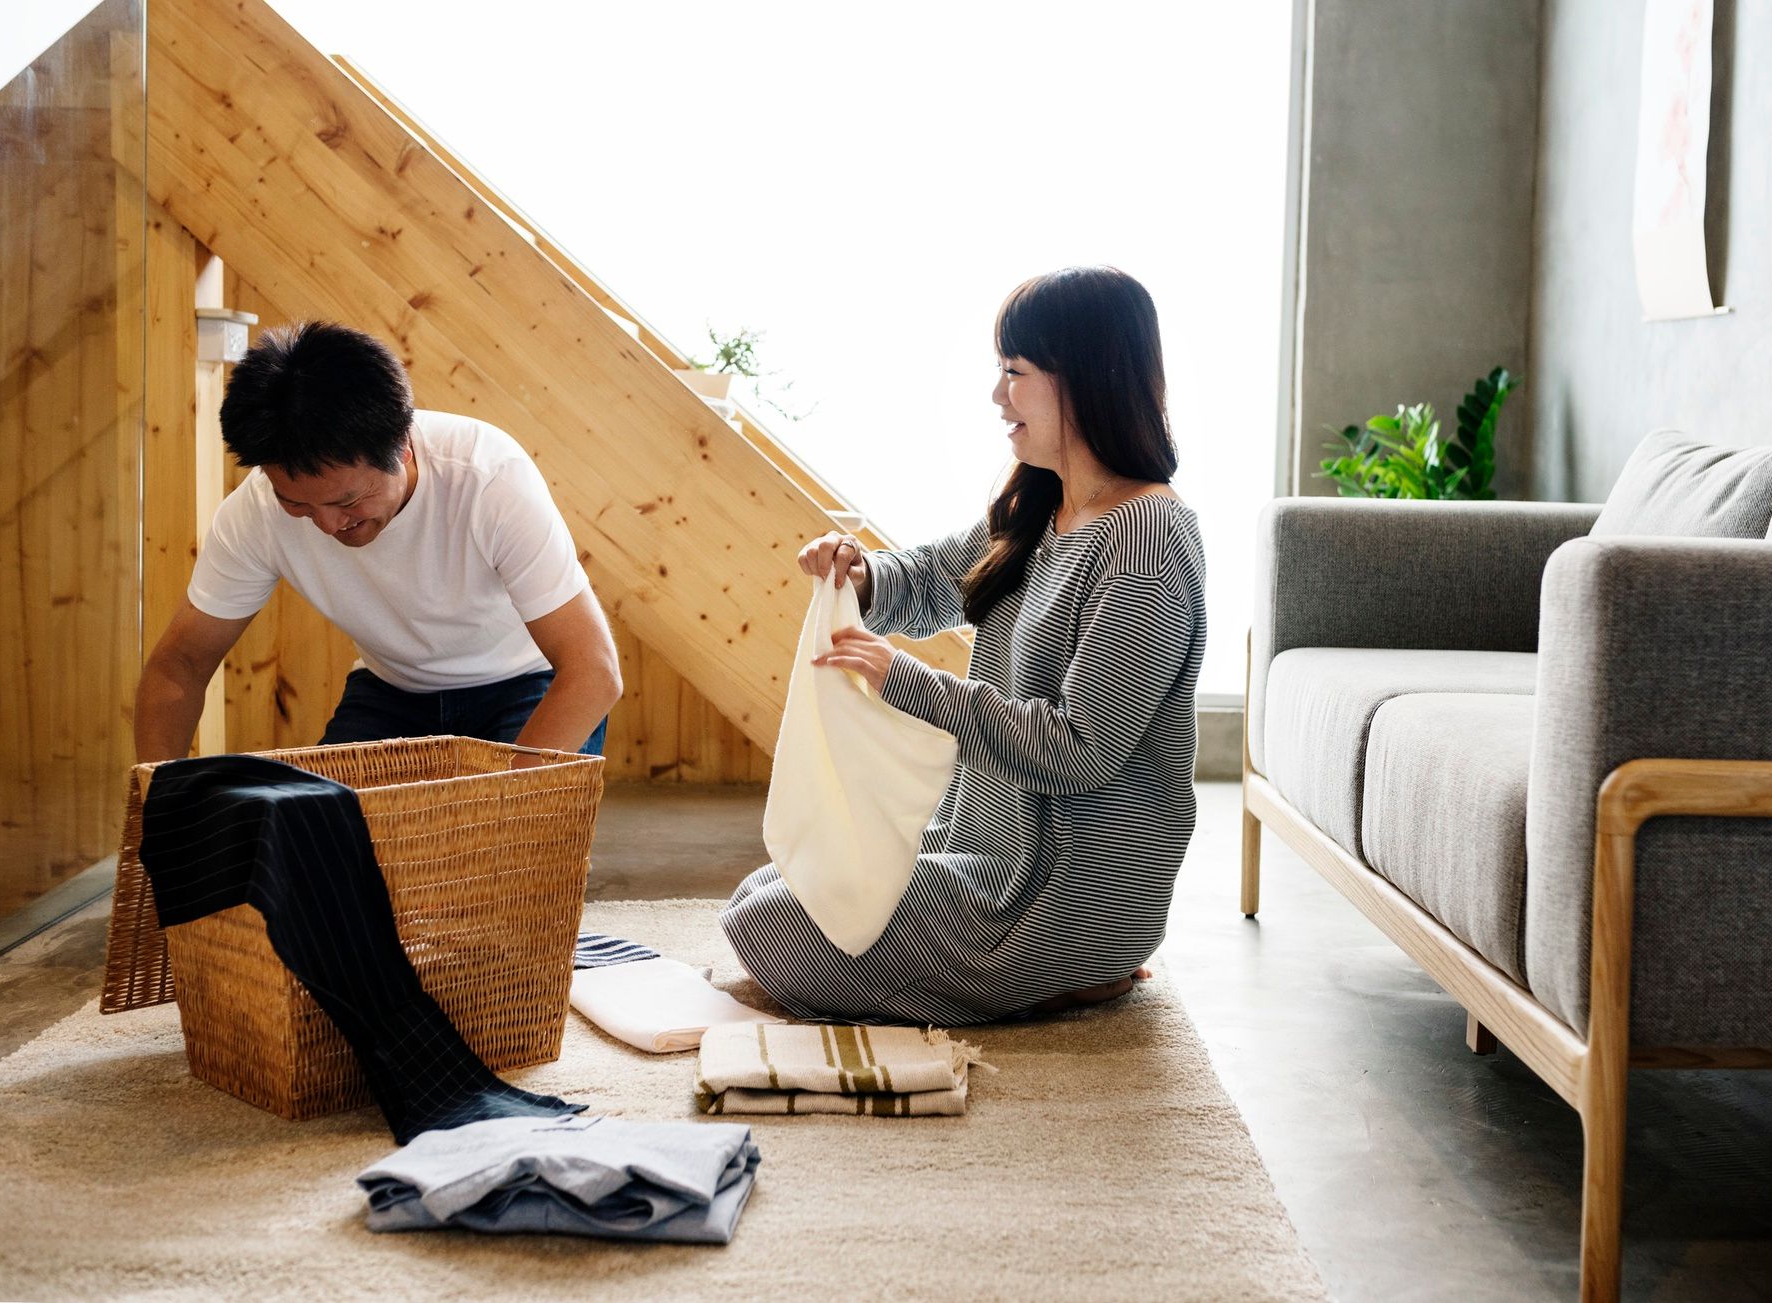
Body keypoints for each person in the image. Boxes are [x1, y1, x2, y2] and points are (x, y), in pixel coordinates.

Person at [721, 266, 1206, 1024]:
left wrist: (903, 681)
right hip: (989, 846)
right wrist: (861, 574)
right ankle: (1039, 975)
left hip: (1060, 889)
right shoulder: (1046, 504)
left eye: (1014, 373)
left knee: (770, 925)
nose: (997, 396)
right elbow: (933, 576)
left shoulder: (1147, 543)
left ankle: (1079, 965)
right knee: (773, 886)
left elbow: (1078, 751)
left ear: (1082, 379)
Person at [134, 321, 621, 764]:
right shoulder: (256, 511)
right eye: (298, 505)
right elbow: (181, 662)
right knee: (314, 829)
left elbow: (592, 670)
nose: (327, 526)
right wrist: (157, 803)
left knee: (516, 852)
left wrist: (504, 808)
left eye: (349, 500)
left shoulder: (489, 476)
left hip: (529, 682)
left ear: (404, 447)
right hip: (393, 691)